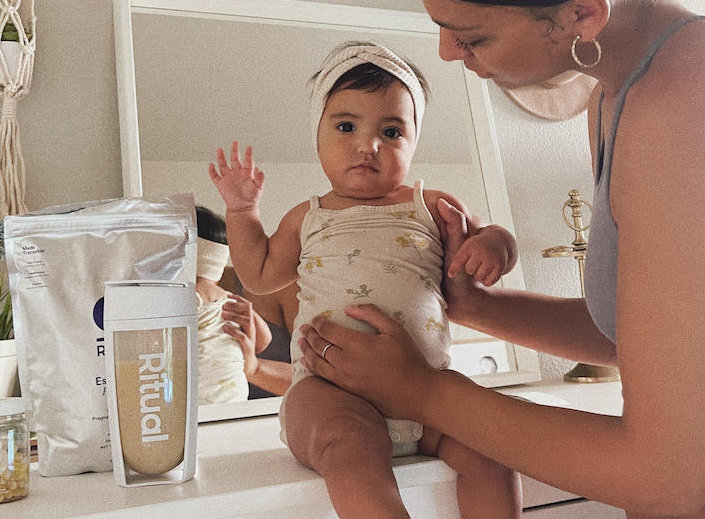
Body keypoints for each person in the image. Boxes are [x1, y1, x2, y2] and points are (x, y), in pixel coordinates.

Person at [297, 0, 705, 518]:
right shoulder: (621, 92)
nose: (447, 56)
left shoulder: (694, 101)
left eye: (473, 37)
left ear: (581, 15)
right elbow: (659, 344)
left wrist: (425, 390)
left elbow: (666, 478)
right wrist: (477, 308)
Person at [210, 42, 520, 519]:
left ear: (414, 142)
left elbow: (488, 233)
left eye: (391, 131)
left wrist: (496, 246)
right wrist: (242, 212)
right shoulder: (306, 218)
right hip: (330, 393)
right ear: (317, 135)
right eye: (346, 126)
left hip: (426, 390)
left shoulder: (430, 204)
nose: (367, 144)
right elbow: (258, 273)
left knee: (493, 449)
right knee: (349, 448)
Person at [195, 203, 274, 405]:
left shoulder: (186, 297)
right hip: (236, 396)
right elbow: (264, 340)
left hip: (199, 399)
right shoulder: (231, 300)